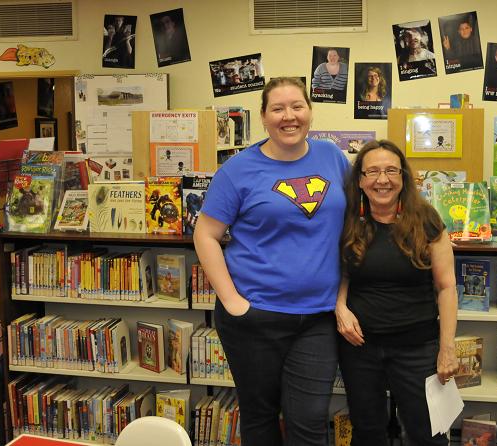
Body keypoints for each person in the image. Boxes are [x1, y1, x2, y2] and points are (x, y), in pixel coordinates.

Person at [194, 77, 350, 446]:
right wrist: (233, 302)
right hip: (254, 317)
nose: (289, 116)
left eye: (297, 106)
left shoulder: (333, 157)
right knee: (260, 417)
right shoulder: (238, 169)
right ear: (263, 117)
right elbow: (206, 234)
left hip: (318, 317)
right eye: (278, 109)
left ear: (310, 112)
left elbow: (355, 223)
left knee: (310, 421)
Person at [336, 139, 458, 445]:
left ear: (403, 177)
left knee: (427, 433)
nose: (382, 179)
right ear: (361, 180)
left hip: (417, 347)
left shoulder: (427, 221)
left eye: (391, 170)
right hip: (360, 348)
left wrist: (447, 348)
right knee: (368, 431)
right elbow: (340, 273)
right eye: (373, 171)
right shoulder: (347, 220)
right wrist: (340, 306)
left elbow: (446, 287)